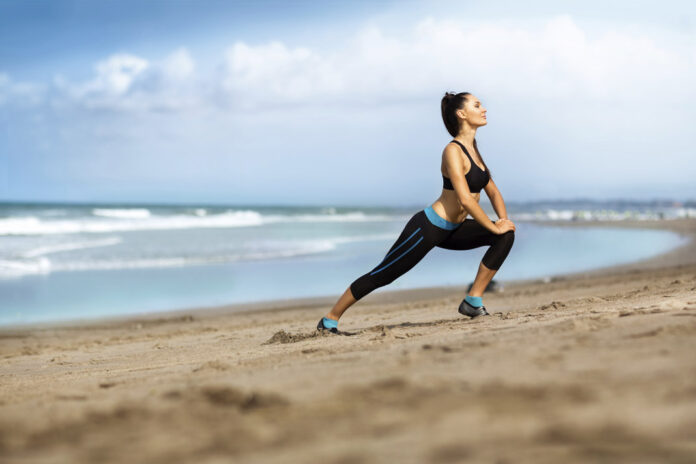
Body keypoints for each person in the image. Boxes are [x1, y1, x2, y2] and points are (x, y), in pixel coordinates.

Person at [317, 92, 516, 334]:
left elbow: (493, 192)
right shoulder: (453, 151)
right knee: (383, 274)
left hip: (454, 229)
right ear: (462, 114)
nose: (483, 108)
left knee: (505, 236)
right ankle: (330, 319)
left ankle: (472, 301)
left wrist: (503, 221)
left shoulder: (474, 149)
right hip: (429, 228)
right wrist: (493, 225)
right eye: (477, 105)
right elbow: (464, 197)